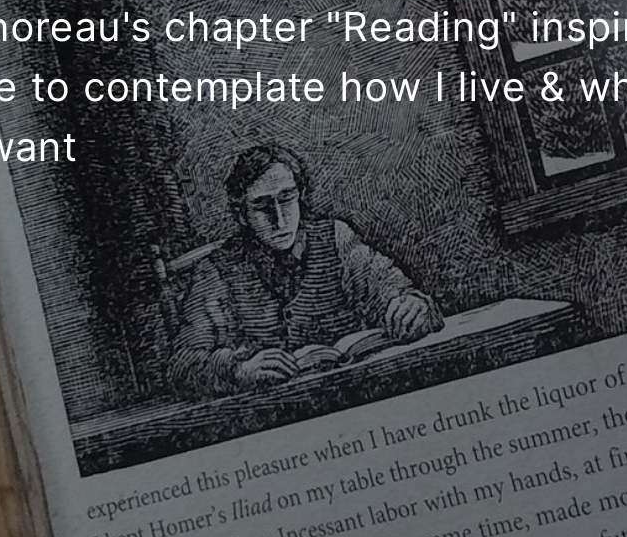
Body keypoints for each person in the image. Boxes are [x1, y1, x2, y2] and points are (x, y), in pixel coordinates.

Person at [169, 143, 443, 396]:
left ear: (300, 196)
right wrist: (237, 370)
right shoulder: (216, 270)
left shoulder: (336, 238)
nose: (279, 219)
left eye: (287, 199)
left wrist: (413, 306)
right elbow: (183, 364)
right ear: (242, 215)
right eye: (262, 206)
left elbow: (396, 290)